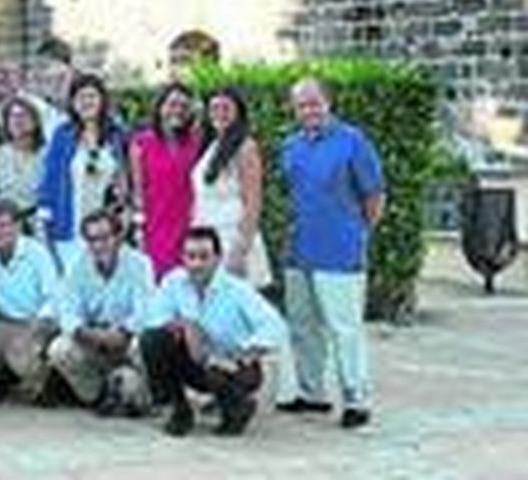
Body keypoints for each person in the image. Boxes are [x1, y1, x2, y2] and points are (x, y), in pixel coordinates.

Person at [278, 77, 385, 429]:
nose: (308, 110)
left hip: (339, 252)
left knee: (344, 328)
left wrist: (356, 233)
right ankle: (313, 394)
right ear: (294, 109)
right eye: (301, 105)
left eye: (314, 103)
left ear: (328, 103)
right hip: (299, 250)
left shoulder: (353, 141)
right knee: (303, 326)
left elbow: (374, 196)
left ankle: (356, 399)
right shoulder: (290, 145)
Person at [141, 226, 287, 437]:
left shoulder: (237, 289)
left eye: (204, 257)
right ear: (182, 257)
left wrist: (244, 352)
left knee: (229, 426)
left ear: (217, 259)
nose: (196, 264)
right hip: (195, 360)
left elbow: (275, 325)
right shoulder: (173, 282)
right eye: (190, 256)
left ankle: (237, 407)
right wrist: (185, 325)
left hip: (233, 365)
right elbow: (153, 319)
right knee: (153, 339)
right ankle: (178, 409)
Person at [47, 209, 154, 414]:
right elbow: (67, 310)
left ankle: (144, 394)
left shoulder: (140, 264)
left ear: (118, 236)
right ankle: (97, 395)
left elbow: (145, 310)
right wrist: (87, 333)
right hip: (93, 337)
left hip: (126, 339)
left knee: (142, 345)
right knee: (59, 349)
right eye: (91, 239)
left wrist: (123, 333)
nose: (98, 245)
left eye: (104, 238)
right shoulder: (77, 265)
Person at [0, 198, 59, 403]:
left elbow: (53, 298)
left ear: (18, 226)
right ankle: (5, 378)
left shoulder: (37, 253)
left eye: (4, 225)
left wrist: (37, 328)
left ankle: (48, 384)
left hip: (39, 322)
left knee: (20, 356)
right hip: (6, 323)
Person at [36, 74, 127, 270]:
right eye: (81, 97)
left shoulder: (116, 135)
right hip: (70, 223)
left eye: (92, 96)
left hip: (107, 227)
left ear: (102, 100)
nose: (87, 102)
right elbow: (50, 179)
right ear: (73, 103)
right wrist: (45, 219)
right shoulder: (63, 134)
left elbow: (125, 177)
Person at [193, 88, 270, 286]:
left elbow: (253, 202)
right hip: (208, 237)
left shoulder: (245, 147)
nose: (219, 113)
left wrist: (240, 250)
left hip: (232, 239)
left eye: (226, 108)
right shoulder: (211, 145)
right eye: (214, 108)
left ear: (238, 113)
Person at [128, 82, 203, 279]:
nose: (177, 111)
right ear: (160, 108)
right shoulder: (141, 143)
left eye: (183, 106)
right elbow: (137, 191)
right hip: (155, 226)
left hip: (189, 225)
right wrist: (139, 229)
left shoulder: (197, 143)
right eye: (172, 104)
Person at [0, 98, 46, 220]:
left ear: (35, 121)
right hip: (7, 223)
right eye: (12, 116)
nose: (17, 121)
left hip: (39, 220)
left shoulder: (47, 154)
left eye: (22, 115)